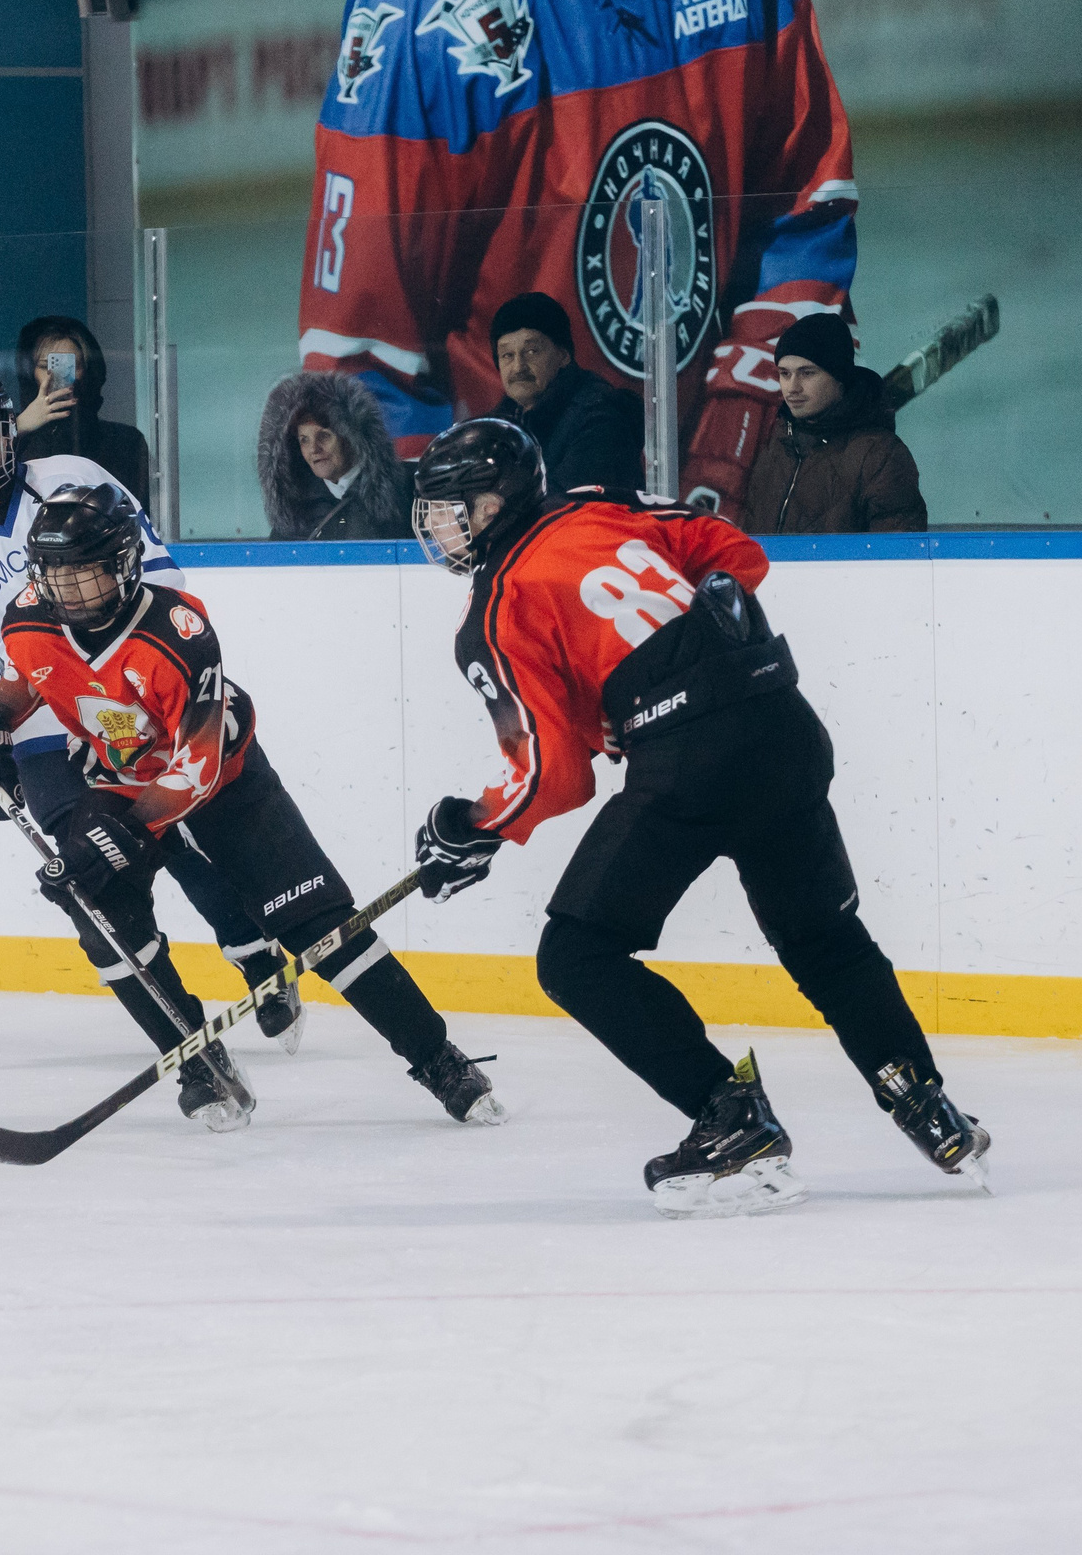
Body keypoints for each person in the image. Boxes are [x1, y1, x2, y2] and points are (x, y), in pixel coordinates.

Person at [406, 418, 988, 1216]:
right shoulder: (602, 507)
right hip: (782, 725)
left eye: (453, 508)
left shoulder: (496, 610)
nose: (441, 528)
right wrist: (657, 676)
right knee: (822, 938)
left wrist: (470, 826)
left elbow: (552, 778)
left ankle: (729, 1114)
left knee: (575, 956)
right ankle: (924, 1101)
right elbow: (739, 556)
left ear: (499, 500)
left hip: (692, 762)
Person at [0, 479, 502, 1129]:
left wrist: (123, 834)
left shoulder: (179, 631)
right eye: (56, 574)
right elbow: (25, 676)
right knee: (100, 916)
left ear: (122, 563)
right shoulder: (30, 616)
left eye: (85, 572)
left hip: (226, 784)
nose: (69, 590)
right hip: (120, 782)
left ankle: (439, 1059)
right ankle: (200, 1063)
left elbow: (195, 768)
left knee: (322, 928)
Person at [301, 0, 856, 522]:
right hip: (527, 540)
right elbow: (360, 363)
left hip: (708, 520)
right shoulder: (414, 6)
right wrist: (474, 519)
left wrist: (735, 449)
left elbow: (803, 218)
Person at [0, 369, 313, 1089]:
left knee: (184, 844)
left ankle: (252, 948)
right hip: (41, 730)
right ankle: (191, 1046)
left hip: (124, 707)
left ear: (8, 433)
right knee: (95, 885)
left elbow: (162, 580)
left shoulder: (73, 476)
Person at [738, 313, 927, 534]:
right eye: (784, 374)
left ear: (839, 376)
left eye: (807, 373)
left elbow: (897, 558)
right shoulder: (776, 448)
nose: (792, 387)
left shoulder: (881, 456)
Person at [482, 292, 643, 500]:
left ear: (564, 355)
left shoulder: (600, 418)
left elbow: (566, 508)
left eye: (532, 351)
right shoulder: (501, 423)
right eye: (507, 355)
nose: (518, 366)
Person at [255, 370, 413, 540]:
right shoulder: (295, 512)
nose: (314, 449)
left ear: (352, 438)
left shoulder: (408, 490)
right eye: (304, 440)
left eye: (324, 436)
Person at [10, 316, 149, 500]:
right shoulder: (11, 438)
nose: (54, 376)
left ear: (88, 370)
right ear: (29, 373)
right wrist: (19, 427)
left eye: (70, 366)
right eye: (46, 366)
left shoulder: (125, 442)